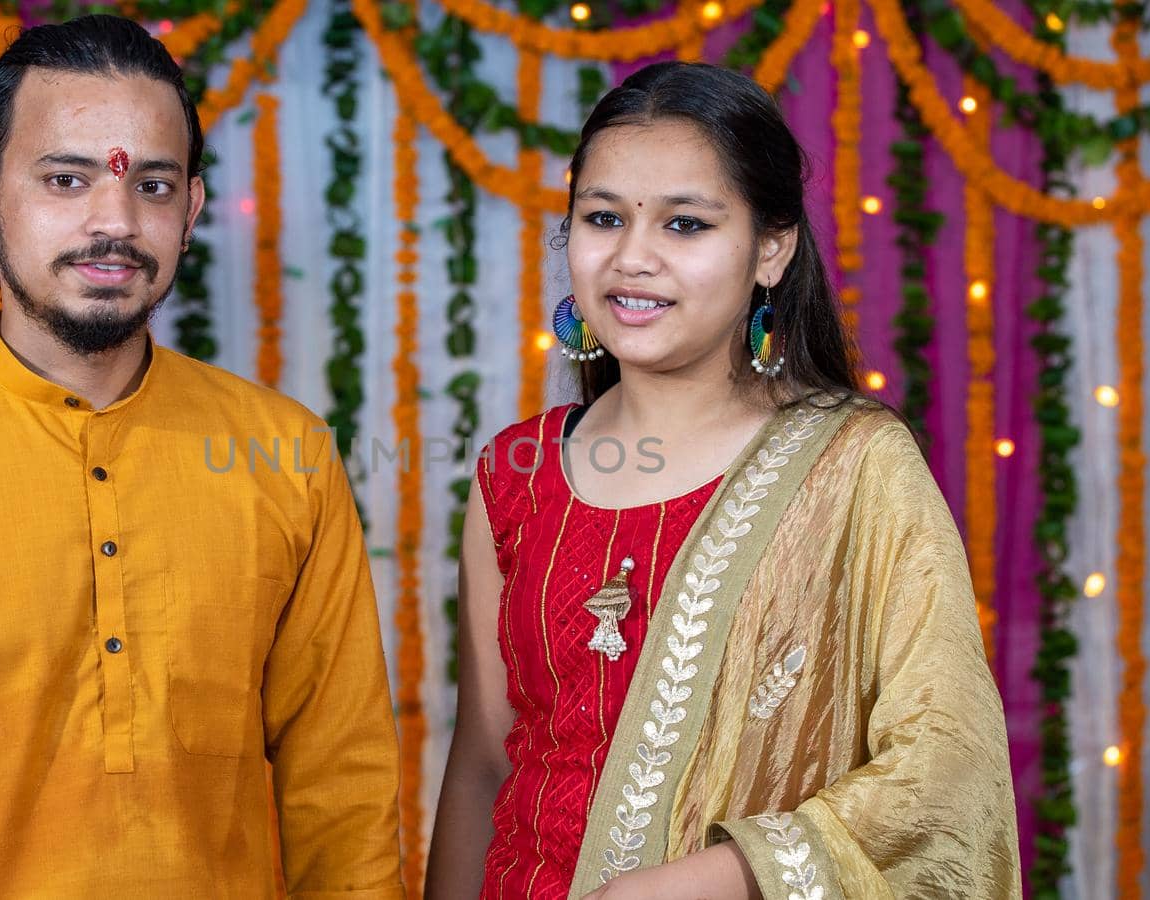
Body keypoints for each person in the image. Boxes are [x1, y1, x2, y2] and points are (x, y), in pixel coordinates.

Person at [0, 15, 403, 898]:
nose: (115, 221)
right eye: (65, 178)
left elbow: (343, 795)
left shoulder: (286, 455)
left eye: (154, 186)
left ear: (193, 209)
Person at [426, 61, 1020, 900]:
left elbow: (945, 765)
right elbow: (484, 762)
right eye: (603, 218)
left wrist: (718, 876)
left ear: (770, 248)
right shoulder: (515, 473)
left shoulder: (855, 467)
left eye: (686, 225)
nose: (633, 258)